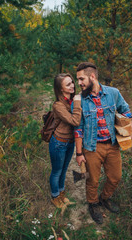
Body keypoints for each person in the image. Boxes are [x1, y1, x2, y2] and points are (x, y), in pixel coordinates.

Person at [74, 62, 132, 224]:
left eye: (81, 79)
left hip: (113, 145)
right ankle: (93, 204)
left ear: (92, 77)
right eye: (78, 80)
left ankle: (104, 198)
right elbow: (78, 130)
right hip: (92, 147)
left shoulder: (113, 93)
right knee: (92, 179)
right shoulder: (79, 101)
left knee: (115, 177)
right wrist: (79, 154)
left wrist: (122, 123)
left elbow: (126, 110)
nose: (79, 83)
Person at [49, 73, 82, 209]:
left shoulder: (72, 100)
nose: (72, 85)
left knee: (64, 170)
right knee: (57, 171)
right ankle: (55, 197)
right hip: (59, 143)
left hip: (70, 142)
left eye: (72, 82)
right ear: (61, 89)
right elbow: (75, 121)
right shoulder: (58, 105)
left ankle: (62, 195)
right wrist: (78, 102)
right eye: (68, 84)